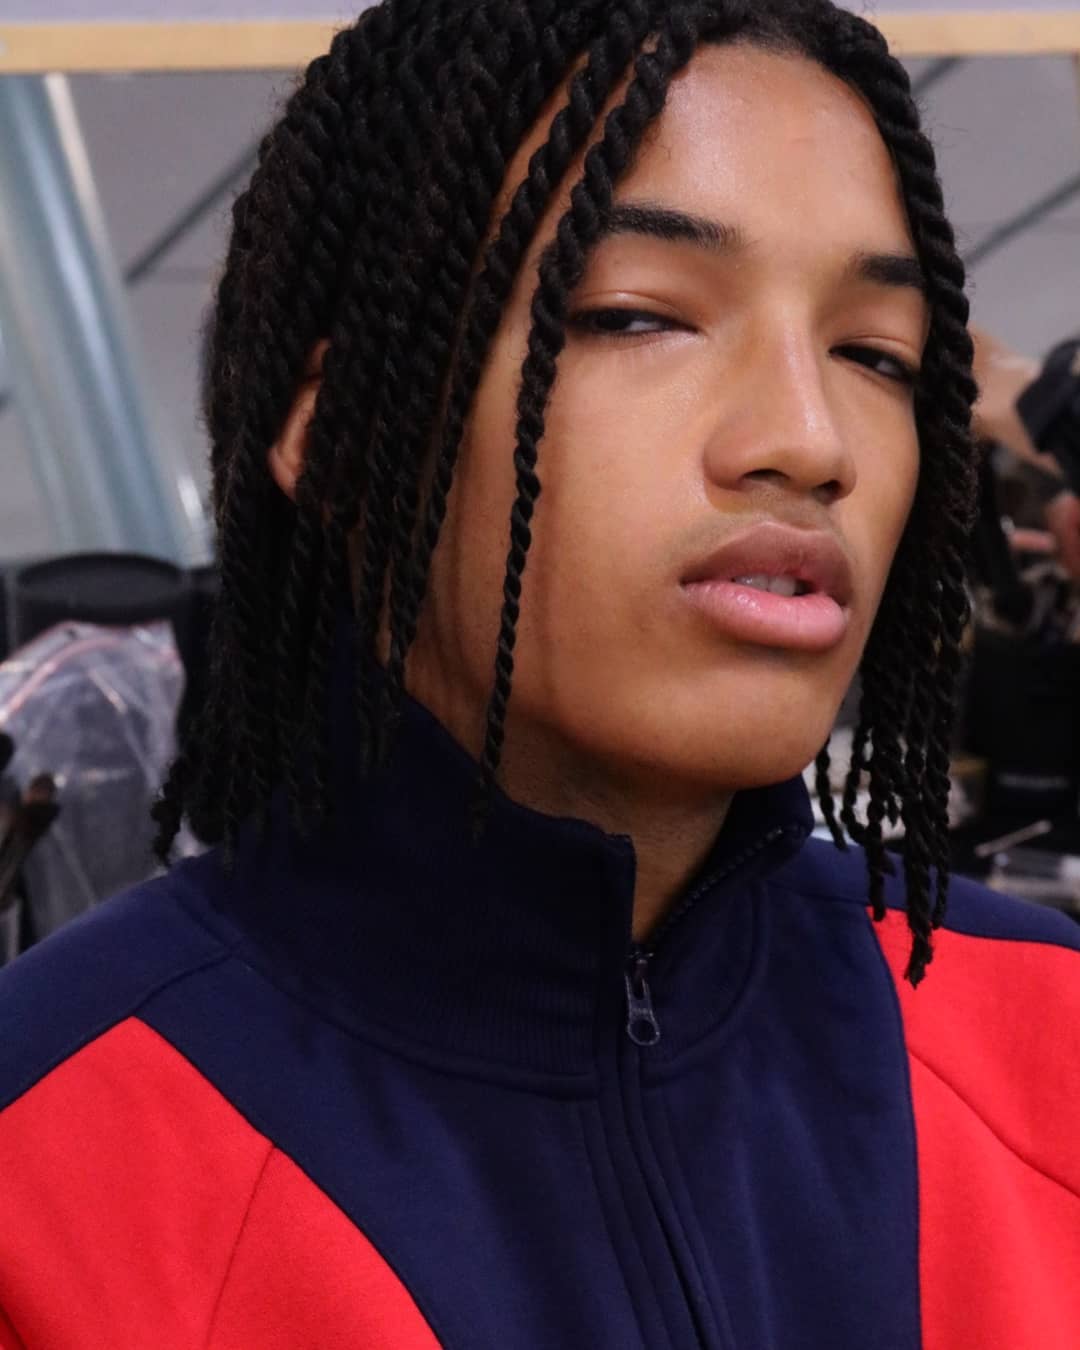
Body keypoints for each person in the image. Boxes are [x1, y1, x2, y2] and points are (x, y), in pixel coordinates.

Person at [1, 2, 1078, 1346]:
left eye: (875, 356)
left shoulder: (1049, 1036)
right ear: (336, 437)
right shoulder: (46, 1164)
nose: (812, 441)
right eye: (637, 315)